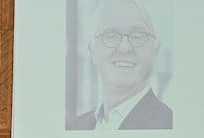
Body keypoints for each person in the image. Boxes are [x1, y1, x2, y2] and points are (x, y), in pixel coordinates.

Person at [68, 0, 172, 130]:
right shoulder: (74, 127)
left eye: (138, 36)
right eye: (111, 35)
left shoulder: (168, 124)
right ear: (92, 50)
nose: (125, 48)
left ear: (155, 50)